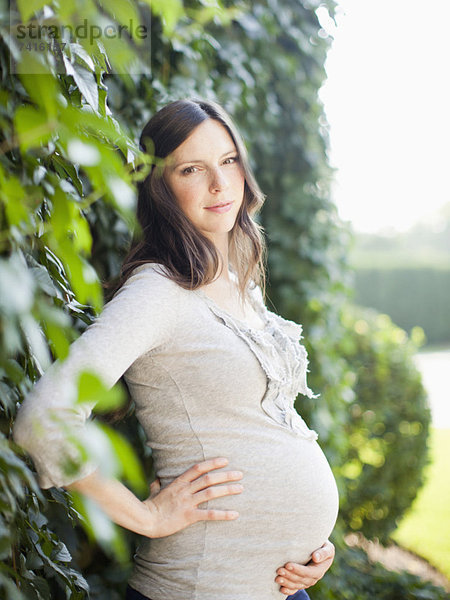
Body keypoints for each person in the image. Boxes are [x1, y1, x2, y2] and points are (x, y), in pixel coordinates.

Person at [13, 98, 339, 600]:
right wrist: (147, 515)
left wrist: (311, 543)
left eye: (228, 161)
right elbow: (44, 420)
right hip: (200, 585)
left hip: (278, 586)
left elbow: (265, 425)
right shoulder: (158, 293)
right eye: (192, 169)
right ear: (162, 188)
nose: (219, 183)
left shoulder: (237, 282)